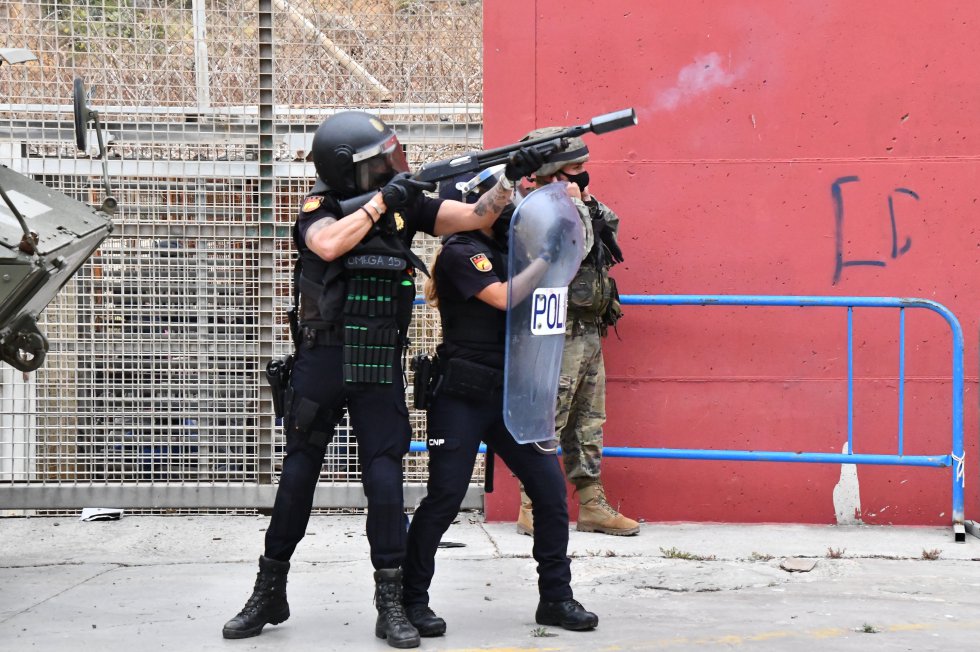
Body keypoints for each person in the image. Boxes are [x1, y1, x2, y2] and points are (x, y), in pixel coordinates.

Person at [221, 111, 547, 648]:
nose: (393, 166)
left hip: (377, 366)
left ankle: (390, 603)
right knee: (298, 475)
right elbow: (327, 246)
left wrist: (511, 178)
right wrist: (381, 203)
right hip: (322, 363)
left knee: (385, 483)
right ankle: (268, 589)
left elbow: (474, 215)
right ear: (349, 169)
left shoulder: (409, 206)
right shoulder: (319, 208)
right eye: (381, 160)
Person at [400, 169, 598, 638]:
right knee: (445, 497)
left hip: (513, 397)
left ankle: (556, 598)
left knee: (549, 494)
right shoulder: (460, 253)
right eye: (494, 198)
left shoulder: (509, 248)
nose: (504, 205)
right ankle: (410, 599)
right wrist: (543, 261)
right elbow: (506, 297)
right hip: (463, 397)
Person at [516, 128, 639, 537]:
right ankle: (531, 504)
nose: (581, 177)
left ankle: (591, 503)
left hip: (587, 330)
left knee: (589, 420)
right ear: (549, 171)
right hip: (554, 332)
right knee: (550, 417)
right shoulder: (532, 208)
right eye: (573, 170)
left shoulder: (576, 202)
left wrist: (584, 202)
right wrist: (572, 206)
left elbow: (611, 232)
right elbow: (576, 249)